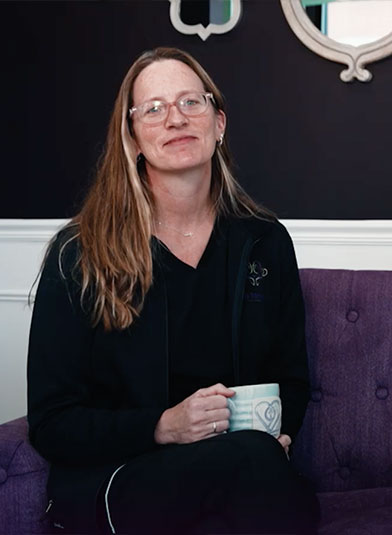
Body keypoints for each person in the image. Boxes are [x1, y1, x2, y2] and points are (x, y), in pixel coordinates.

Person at [27, 47, 318, 534]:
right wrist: (162, 426)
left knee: (252, 469)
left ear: (218, 123)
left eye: (191, 102)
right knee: (265, 477)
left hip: (242, 471)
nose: (176, 119)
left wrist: (281, 432)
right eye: (155, 108)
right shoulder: (78, 252)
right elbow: (53, 423)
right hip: (119, 478)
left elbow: (292, 378)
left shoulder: (265, 241)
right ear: (133, 137)